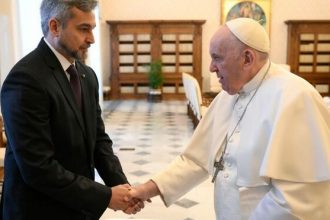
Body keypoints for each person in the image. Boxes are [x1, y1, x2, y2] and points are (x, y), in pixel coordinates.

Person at [129, 17, 330, 219]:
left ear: (247, 59)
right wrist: (147, 189)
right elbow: (197, 159)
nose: (211, 68)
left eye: (217, 58)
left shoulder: (297, 98)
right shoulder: (228, 95)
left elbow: (296, 198)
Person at [0, 0, 143, 219]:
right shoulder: (26, 79)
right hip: (39, 210)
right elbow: (38, 168)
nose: (92, 39)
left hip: (78, 207)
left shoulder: (87, 75)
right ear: (55, 27)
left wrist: (123, 188)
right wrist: (105, 196)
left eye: (92, 29)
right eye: (83, 29)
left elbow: (99, 141)